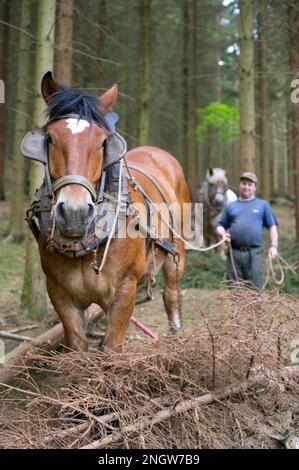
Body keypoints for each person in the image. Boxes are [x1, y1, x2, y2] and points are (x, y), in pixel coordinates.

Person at [216, 172, 278, 289]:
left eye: (250, 184)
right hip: (234, 253)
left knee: (255, 288)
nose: (246, 187)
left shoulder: (262, 205)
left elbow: (272, 226)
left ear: (255, 187)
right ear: (240, 185)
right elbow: (220, 225)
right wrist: (223, 234)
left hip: (254, 253)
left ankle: (256, 308)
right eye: (244, 183)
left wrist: (273, 246)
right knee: (235, 289)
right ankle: (236, 308)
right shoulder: (231, 206)